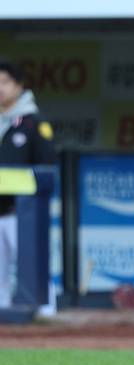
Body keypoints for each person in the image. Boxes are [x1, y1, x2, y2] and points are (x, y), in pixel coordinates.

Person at [0, 62, 56, 308]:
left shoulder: (33, 123)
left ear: (19, 85)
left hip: (23, 214)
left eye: (4, 82)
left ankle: (48, 322)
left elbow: (46, 168)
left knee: (34, 268)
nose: (0, 89)